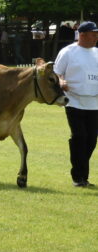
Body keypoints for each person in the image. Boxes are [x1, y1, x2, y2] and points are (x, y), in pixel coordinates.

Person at [54, 21, 98, 187]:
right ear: (83, 35)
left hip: (94, 103)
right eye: (93, 34)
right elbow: (56, 74)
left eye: (97, 34)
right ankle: (79, 177)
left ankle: (81, 173)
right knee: (80, 137)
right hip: (74, 101)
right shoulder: (68, 52)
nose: (96, 37)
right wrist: (62, 81)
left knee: (91, 140)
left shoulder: (97, 53)